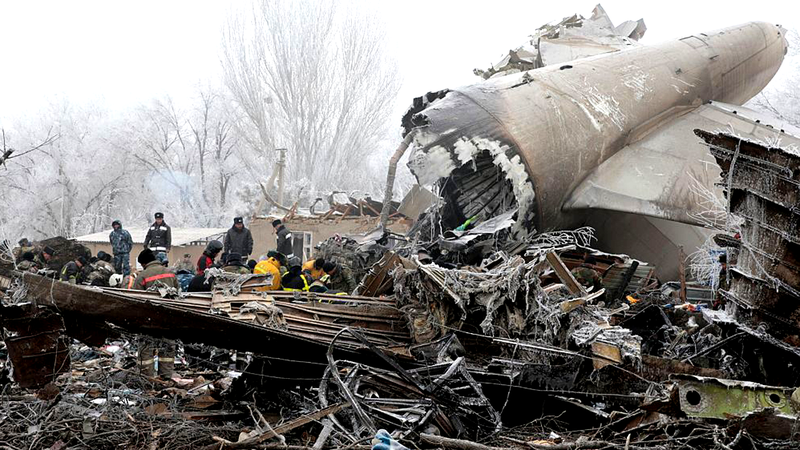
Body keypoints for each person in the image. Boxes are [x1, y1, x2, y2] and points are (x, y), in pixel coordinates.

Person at [134, 248, 178, 379]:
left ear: (143, 263)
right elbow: (178, 296)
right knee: (167, 350)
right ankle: (166, 378)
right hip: (168, 319)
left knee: (146, 351)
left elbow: (135, 300)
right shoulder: (171, 274)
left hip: (148, 320)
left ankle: (147, 379)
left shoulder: (142, 276)